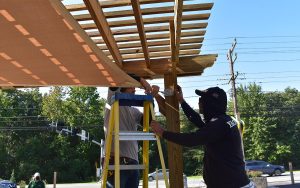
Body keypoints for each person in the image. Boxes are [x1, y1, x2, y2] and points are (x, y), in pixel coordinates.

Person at [151, 86, 253, 188]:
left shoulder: (219, 124)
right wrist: (182, 101)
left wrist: (163, 132)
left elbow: (192, 140)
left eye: (202, 100)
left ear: (211, 103)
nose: (199, 102)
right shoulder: (224, 120)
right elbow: (197, 120)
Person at [103, 75, 153, 188]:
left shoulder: (134, 111)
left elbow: (148, 121)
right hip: (116, 161)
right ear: (122, 88)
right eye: (132, 87)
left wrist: (151, 98)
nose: (135, 91)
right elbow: (116, 76)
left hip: (133, 163)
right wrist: (141, 80)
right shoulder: (112, 101)